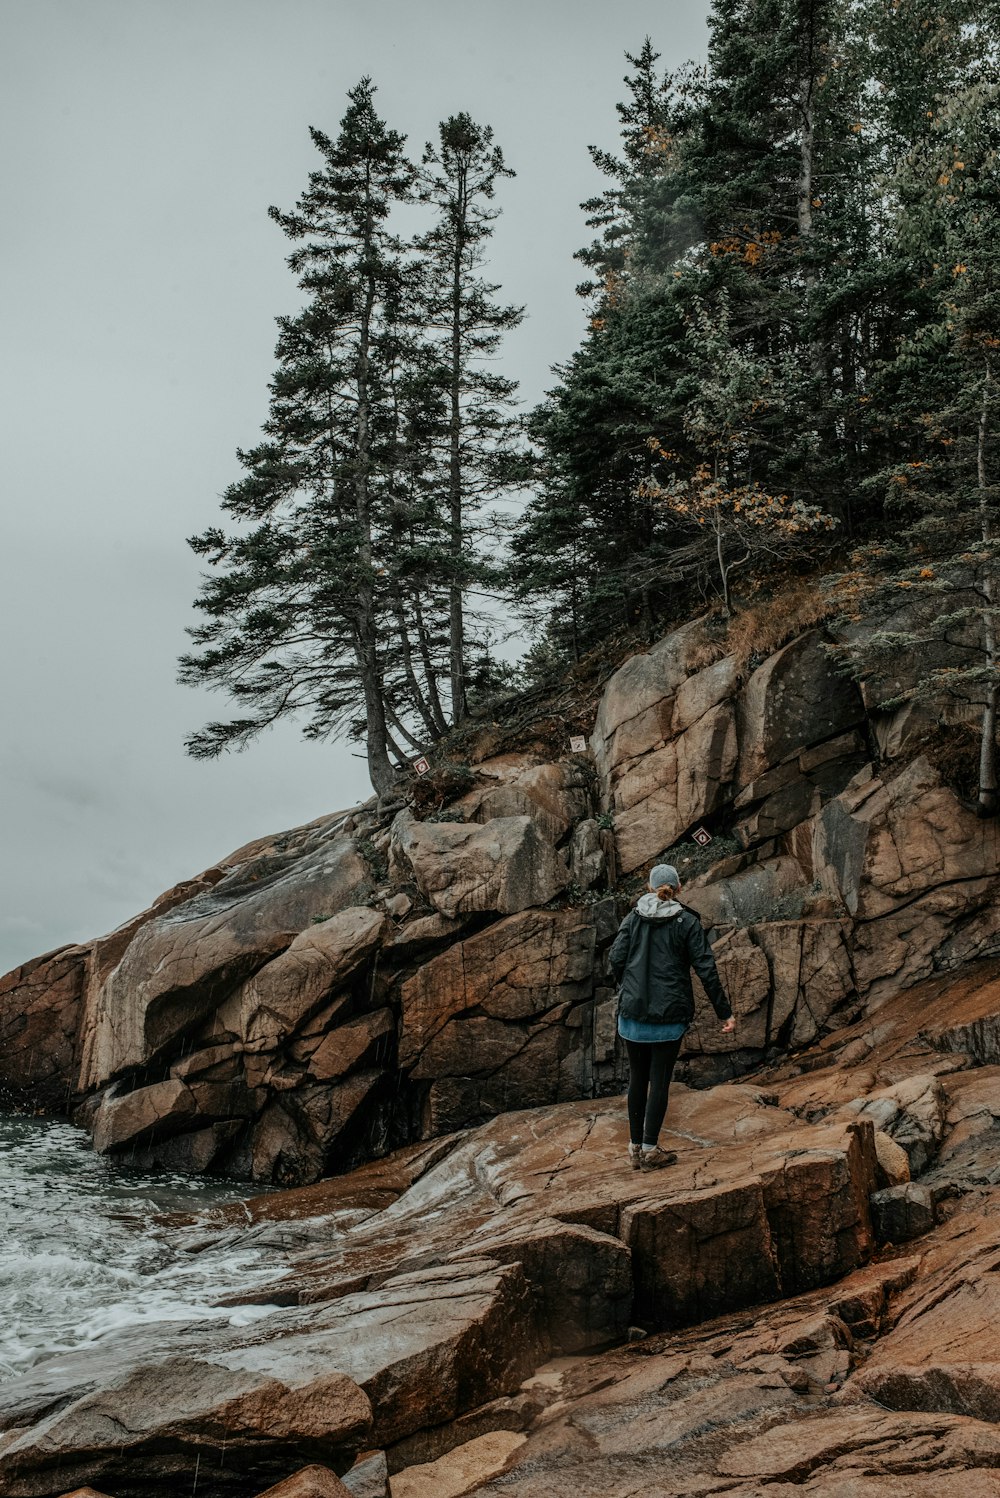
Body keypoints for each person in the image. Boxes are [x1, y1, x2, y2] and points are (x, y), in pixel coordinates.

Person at [609, 862, 735, 1171]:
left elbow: (615, 959)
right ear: (678, 889)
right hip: (668, 1017)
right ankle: (651, 1149)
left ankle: (635, 1148)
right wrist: (724, 1013)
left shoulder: (632, 918)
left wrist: (628, 988)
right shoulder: (687, 922)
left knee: (637, 1079)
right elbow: (706, 968)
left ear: (650, 888)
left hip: (633, 1014)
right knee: (660, 1081)